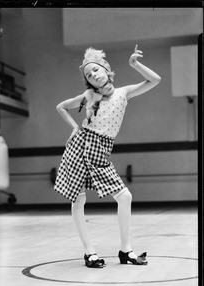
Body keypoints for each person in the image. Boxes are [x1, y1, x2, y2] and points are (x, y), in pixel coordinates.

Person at [54, 45, 161, 268]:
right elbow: (61, 107)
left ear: (106, 69)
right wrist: (75, 127)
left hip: (101, 148)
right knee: (79, 198)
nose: (93, 75)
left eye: (96, 70)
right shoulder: (87, 96)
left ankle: (126, 250)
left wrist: (135, 64)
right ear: (88, 81)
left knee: (124, 196)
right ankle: (89, 253)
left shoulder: (123, 93)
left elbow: (155, 80)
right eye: (88, 75)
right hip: (81, 145)